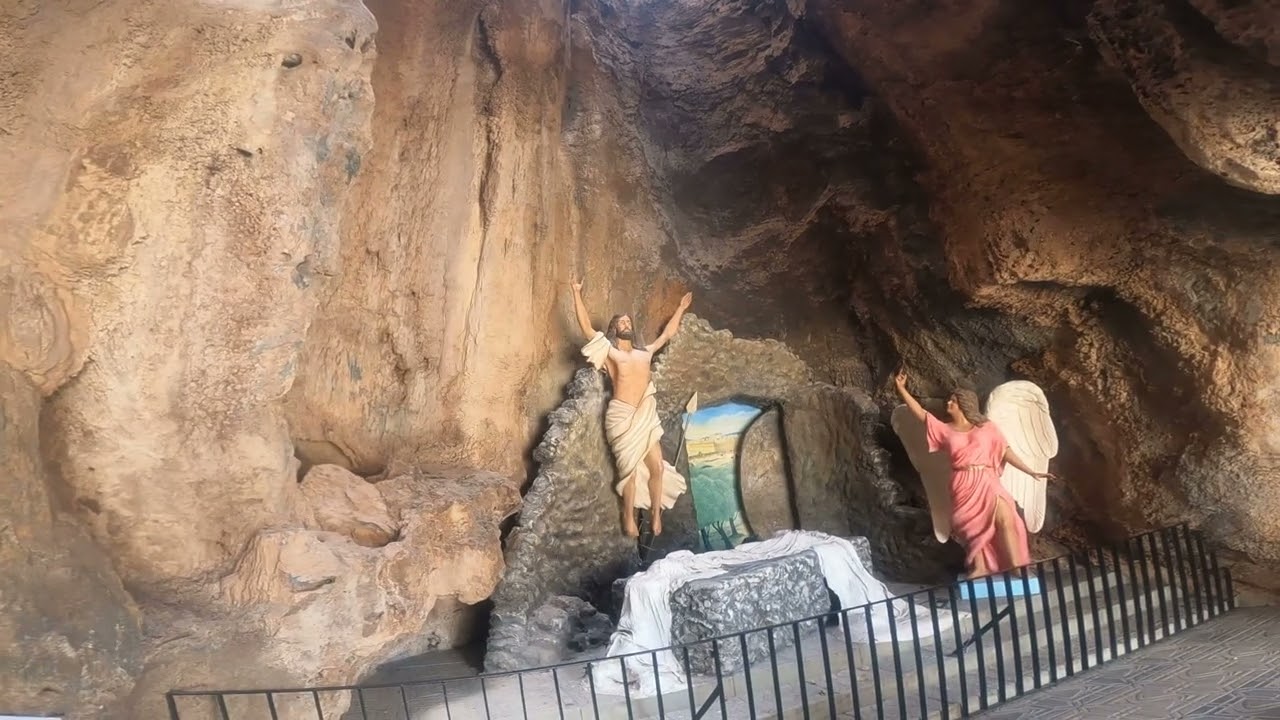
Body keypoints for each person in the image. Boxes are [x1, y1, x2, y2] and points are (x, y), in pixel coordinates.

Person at [893, 369, 1055, 578]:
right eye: (949, 400)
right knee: (971, 527)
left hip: (988, 480)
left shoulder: (987, 428)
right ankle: (980, 566)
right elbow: (921, 415)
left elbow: (1005, 451)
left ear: (964, 404)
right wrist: (901, 389)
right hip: (962, 482)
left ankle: (1017, 565)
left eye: (953, 401)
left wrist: (1032, 471)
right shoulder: (944, 430)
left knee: (1006, 519)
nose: (948, 404)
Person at [571, 280, 692, 537]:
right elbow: (586, 328)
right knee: (630, 474)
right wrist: (576, 292)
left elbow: (667, 335)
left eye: (628, 322)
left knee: (657, 467)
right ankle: (628, 515)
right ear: (615, 329)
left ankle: (656, 515)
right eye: (621, 323)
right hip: (622, 417)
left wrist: (680, 309)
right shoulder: (612, 354)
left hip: (646, 416)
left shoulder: (644, 353)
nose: (626, 325)